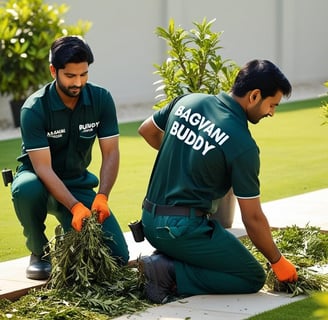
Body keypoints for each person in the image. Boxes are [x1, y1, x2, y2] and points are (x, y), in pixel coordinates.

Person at [137, 59, 298, 303]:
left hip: (149, 222)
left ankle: (169, 259)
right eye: (272, 105)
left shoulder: (188, 100)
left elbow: (147, 130)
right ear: (254, 96)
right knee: (250, 276)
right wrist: (277, 261)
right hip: (182, 231)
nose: (272, 113)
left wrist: (188, 159)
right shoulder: (242, 145)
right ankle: (166, 271)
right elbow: (252, 219)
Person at [11, 35, 129, 280]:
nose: (78, 82)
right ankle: (39, 251)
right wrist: (75, 207)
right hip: (40, 182)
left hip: (78, 182)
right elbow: (43, 168)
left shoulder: (101, 99)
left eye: (84, 74)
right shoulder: (34, 109)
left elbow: (111, 152)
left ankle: (68, 232)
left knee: (117, 257)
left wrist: (102, 196)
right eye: (70, 76)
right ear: (54, 70)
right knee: (26, 189)